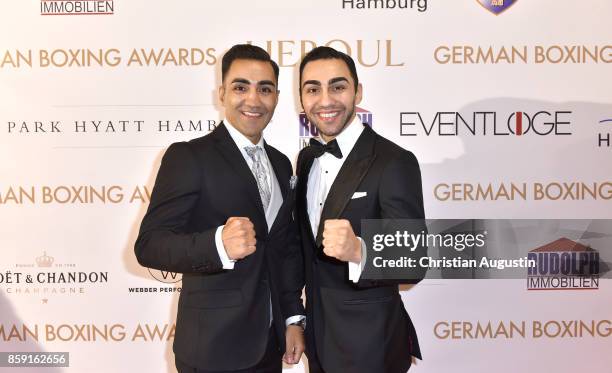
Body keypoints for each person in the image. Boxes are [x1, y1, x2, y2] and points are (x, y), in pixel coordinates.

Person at [134, 44, 305, 373]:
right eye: (241, 87)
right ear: (222, 92)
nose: (253, 100)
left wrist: (293, 317)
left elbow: (283, 251)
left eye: (264, 89)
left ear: (277, 97)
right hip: (212, 349)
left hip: (270, 346)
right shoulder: (188, 157)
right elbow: (149, 245)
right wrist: (217, 244)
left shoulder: (283, 165)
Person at [295, 46, 426, 373]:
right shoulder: (307, 160)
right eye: (313, 89)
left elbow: (413, 260)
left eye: (337, 87)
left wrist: (360, 250)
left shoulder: (393, 161)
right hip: (318, 342)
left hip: (371, 347)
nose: (325, 100)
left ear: (358, 92)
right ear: (301, 98)